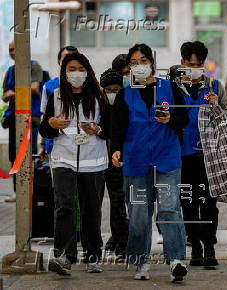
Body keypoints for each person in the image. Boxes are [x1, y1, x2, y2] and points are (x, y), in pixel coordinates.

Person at [111, 43, 188, 282]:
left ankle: (176, 259)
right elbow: (118, 126)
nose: (139, 66)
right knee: (139, 212)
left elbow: (183, 118)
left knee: (168, 208)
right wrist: (115, 149)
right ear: (129, 67)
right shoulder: (126, 93)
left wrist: (170, 119)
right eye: (134, 62)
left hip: (166, 158)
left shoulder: (170, 88)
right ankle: (140, 261)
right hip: (136, 160)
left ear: (151, 63)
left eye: (143, 61)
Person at [39, 53, 110, 275]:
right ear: (64, 72)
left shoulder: (99, 97)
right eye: (71, 68)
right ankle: (63, 257)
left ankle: (93, 256)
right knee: (64, 207)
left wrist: (97, 129)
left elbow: (110, 128)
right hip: (63, 159)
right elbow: (44, 129)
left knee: (91, 210)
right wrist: (51, 123)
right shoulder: (57, 95)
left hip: (93, 162)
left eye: (80, 68)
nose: (76, 73)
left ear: (87, 71)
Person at [177, 41, 227, 267]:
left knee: (209, 202)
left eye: (199, 64)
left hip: (208, 157)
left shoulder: (215, 87)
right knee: (188, 201)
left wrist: (217, 105)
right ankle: (195, 248)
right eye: (191, 64)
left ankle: (209, 247)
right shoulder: (172, 88)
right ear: (182, 63)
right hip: (181, 157)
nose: (195, 68)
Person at [1, 41, 43, 202]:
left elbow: (34, 88)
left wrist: (14, 93)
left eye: (15, 49)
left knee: (29, 153)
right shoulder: (10, 70)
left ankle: (30, 190)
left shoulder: (34, 66)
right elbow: (4, 95)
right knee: (14, 154)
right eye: (10, 49)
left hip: (31, 117)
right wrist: (11, 94)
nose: (12, 52)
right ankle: (16, 191)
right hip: (13, 117)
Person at [99, 68, 129, 258]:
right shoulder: (98, 108)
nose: (112, 93)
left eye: (116, 89)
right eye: (108, 89)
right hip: (100, 161)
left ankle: (123, 241)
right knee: (106, 203)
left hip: (121, 160)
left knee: (121, 202)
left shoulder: (125, 107)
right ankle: (115, 239)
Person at [40, 45, 79, 159]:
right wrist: (42, 144)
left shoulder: (88, 87)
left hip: (83, 146)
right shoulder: (49, 87)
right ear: (59, 61)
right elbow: (45, 117)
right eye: (66, 58)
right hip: (55, 145)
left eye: (74, 58)